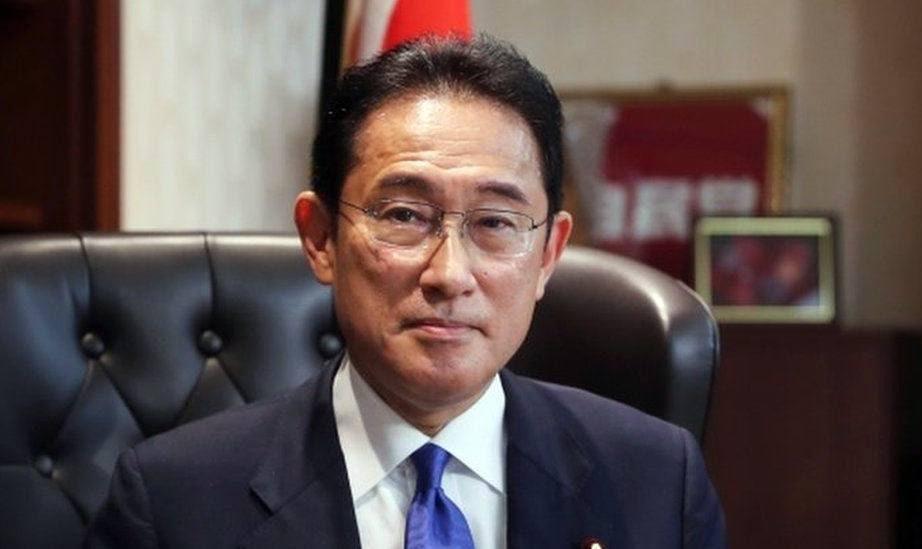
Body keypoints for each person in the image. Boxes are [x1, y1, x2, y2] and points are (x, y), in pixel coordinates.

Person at [86, 36, 726, 548]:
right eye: (404, 216)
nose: (450, 274)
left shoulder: (658, 482)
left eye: (495, 223)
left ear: (549, 255)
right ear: (321, 238)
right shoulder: (172, 502)